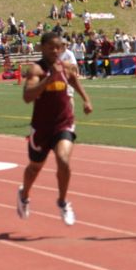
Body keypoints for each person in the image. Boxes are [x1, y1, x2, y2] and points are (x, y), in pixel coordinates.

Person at [17, 32, 93, 226]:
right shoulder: (36, 70)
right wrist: (46, 82)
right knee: (35, 168)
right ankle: (24, 194)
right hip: (41, 127)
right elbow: (27, 97)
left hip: (63, 122)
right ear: (42, 48)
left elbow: (74, 80)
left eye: (58, 47)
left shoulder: (65, 68)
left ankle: (62, 201)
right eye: (51, 46)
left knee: (63, 160)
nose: (55, 50)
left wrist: (86, 100)